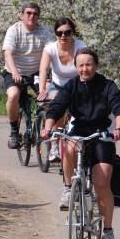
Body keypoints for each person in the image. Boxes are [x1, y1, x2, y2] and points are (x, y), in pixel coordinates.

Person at [41, 48, 120, 239]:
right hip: (79, 130)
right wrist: (48, 127)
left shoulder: (107, 86)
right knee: (69, 145)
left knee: (102, 181)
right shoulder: (71, 85)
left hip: (101, 134)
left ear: (95, 65)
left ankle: (107, 231)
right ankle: (68, 187)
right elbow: (57, 106)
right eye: (80, 65)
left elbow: (119, 105)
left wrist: (119, 127)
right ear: (76, 67)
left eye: (88, 64)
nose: (84, 69)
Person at [2, 2, 54, 149]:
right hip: (15, 70)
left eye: (35, 14)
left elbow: (52, 52)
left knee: (50, 96)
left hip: (37, 72)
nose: (32, 16)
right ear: (22, 15)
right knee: (13, 95)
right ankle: (14, 131)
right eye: (28, 13)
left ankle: (47, 128)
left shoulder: (44, 32)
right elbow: (8, 54)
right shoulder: (14, 30)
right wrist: (15, 72)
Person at [37, 17, 87, 161]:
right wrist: (42, 89)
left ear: (73, 32)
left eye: (67, 32)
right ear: (56, 34)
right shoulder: (50, 49)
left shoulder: (80, 46)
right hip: (57, 86)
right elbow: (43, 69)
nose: (63, 36)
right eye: (59, 33)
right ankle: (54, 145)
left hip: (77, 86)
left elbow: (86, 67)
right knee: (56, 110)